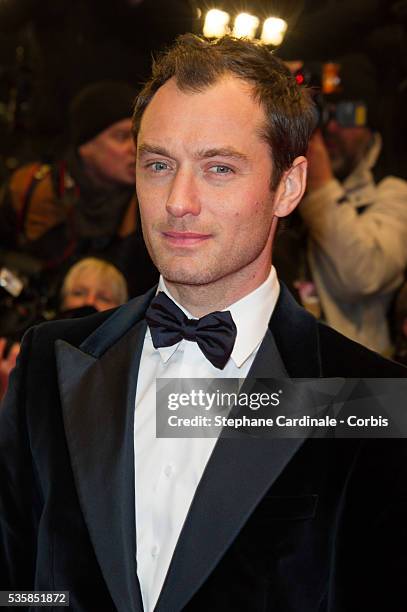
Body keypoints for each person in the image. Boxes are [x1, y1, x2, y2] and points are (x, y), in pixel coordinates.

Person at [1, 34, 407, 612]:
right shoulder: (49, 360)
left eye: (219, 168)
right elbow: (18, 587)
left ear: (288, 186)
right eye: (159, 164)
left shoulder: (370, 399)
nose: (178, 201)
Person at [0, 80, 158, 299]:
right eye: (121, 137)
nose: (135, 149)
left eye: (137, 137)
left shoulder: (152, 207)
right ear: (85, 146)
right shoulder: (31, 191)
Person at [298, 54, 407, 354]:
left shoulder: (393, 193)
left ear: (371, 128)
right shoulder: (288, 183)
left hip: (357, 383)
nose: (332, 128)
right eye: (325, 114)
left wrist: (319, 182)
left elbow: (362, 276)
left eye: (348, 115)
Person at [0, 257, 128, 401]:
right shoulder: (34, 347)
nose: (89, 302)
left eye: (103, 298)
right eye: (79, 293)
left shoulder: (127, 366)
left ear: (121, 309)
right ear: (63, 301)